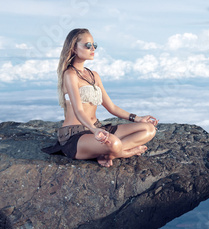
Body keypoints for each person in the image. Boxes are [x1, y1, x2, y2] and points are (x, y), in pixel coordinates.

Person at [42, 28, 158, 167]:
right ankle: (124, 152)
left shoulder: (94, 75)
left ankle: (109, 153)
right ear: (73, 48)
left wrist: (138, 118)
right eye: (88, 45)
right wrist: (94, 130)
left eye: (94, 45)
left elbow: (112, 107)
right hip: (75, 136)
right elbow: (79, 110)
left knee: (148, 129)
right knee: (114, 143)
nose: (93, 49)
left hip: (97, 128)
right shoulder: (70, 75)